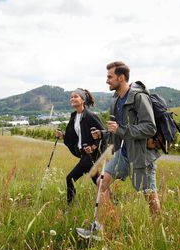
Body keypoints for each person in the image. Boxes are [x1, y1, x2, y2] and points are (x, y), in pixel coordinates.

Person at [92, 61, 161, 216]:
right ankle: (106, 226)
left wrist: (120, 129)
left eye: (110, 76)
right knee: (101, 183)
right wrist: (103, 133)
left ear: (121, 78)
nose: (107, 80)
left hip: (141, 155)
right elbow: (117, 128)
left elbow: (150, 127)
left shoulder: (139, 97)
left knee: (149, 196)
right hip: (123, 154)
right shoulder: (116, 100)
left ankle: (159, 231)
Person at [55, 88, 106, 204]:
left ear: (83, 100)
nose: (72, 98)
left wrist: (93, 147)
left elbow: (104, 134)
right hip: (84, 154)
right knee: (98, 181)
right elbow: (72, 136)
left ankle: (70, 206)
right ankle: (113, 201)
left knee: (70, 178)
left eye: (76, 96)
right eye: (71, 97)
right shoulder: (74, 116)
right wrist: (62, 135)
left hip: (91, 155)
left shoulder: (90, 116)